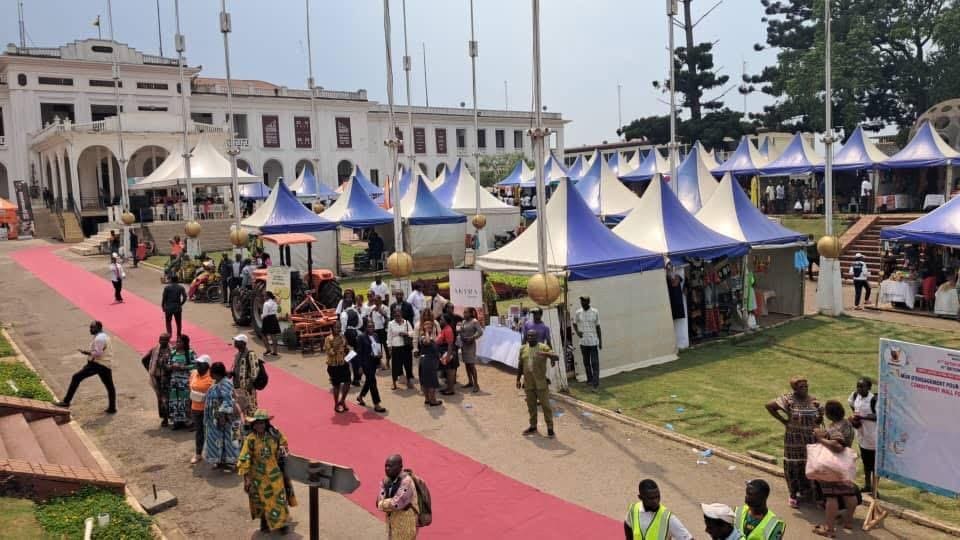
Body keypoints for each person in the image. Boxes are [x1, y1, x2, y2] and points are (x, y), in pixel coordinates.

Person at [765, 376, 822, 507]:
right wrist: (783, 420)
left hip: (810, 439)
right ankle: (793, 494)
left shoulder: (813, 400)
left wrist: (820, 413)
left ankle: (810, 491)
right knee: (794, 466)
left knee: (811, 465)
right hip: (793, 440)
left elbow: (818, 421)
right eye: (801, 386)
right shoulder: (788, 400)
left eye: (806, 386)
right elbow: (769, 406)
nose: (805, 388)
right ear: (795, 388)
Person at [237, 409, 292, 534]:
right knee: (260, 500)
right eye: (257, 423)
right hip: (258, 476)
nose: (259, 425)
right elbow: (244, 458)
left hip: (275, 473)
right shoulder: (250, 439)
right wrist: (247, 479)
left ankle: (282, 524)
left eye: (262, 423)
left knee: (278, 499)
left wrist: (283, 448)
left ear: (266, 423)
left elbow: (284, 443)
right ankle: (265, 522)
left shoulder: (275, 435)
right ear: (253, 424)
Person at [812, 400, 859, 537]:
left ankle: (829, 529)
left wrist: (820, 439)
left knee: (831, 497)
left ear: (829, 414)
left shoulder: (835, 428)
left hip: (832, 465)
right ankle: (849, 521)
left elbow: (837, 446)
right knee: (849, 493)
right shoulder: (847, 424)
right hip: (846, 464)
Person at [54, 321, 117, 414]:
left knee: (76, 377)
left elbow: (98, 354)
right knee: (110, 387)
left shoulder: (99, 339)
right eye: (90, 327)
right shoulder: (104, 336)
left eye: (92, 328)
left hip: (98, 364)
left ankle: (66, 402)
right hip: (105, 365)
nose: (90, 329)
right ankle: (112, 408)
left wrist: (86, 352)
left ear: (99, 328)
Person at [517, 329, 559, 438]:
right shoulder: (523, 348)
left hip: (541, 383)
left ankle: (550, 429)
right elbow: (520, 365)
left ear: (537, 337)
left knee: (546, 406)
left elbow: (556, 357)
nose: (530, 338)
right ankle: (533, 426)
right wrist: (518, 379)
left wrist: (544, 353)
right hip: (528, 383)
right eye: (529, 336)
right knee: (531, 406)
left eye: (533, 336)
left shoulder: (543, 347)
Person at [624, 479, 693, 540]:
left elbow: (688, 538)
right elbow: (627, 525)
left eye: (657, 496)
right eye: (651, 498)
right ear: (640, 497)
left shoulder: (667, 517)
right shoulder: (633, 510)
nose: (656, 501)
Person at [202, 361, 239, 470]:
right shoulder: (219, 382)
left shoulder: (226, 383)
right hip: (216, 419)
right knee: (217, 440)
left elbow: (228, 400)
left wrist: (222, 416)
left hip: (226, 419)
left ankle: (230, 462)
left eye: (211, 372)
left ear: (215, 373)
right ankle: (220, 461)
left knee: (229, 441)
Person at [377, 454, 419, 539]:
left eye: (390, 466)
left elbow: (396, 504)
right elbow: (381, 498)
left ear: (400, 467)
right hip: (392, 523)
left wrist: (381, 504)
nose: (387, 469)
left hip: (406, 523)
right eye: (386, 466)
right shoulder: (386, 481)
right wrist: (383, 503)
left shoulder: (407, 481)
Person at [848, 377, 877, 492]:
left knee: (874, 466)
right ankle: (867, 485)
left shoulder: (874, 399)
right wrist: (855, 416)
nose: (859, 389)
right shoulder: (855, 396)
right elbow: (852, 404)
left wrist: (862, 417)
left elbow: (877, 416)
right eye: (858, 386)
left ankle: (875, 489)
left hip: (873, 437)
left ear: (869, 388)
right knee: (866, 463)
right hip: (862, 435)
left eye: (862, 386)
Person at [356, 320, 387, 413]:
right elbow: (359, 353)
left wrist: (380, 358)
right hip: (366, 363)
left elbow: (378, 348)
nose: (371, 328)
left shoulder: (376, 335)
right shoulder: (361, 337)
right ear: (365, 327)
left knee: (369, 381)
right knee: (373, 382)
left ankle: (360, 396)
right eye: (369, 327)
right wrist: (360, 366)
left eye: (372, 326)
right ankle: (377, 404)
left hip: (374, 362)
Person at [142, 333, 173, 427]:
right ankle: (165, 418)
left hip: (168, 377)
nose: (162, 341)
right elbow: (144, 360)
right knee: (161, 398)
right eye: (160, 339)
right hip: (158, 378)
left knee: (170, 397)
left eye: (164, 340)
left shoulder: (172, 350)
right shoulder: (155, 350)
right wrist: (150, 370)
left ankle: (172, 416)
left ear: (168, 340)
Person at [167, 334, 196, 429]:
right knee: (175, 401)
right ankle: (177, 421)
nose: (177, 343)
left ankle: (187, 421)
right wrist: (171, 366)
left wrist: (183, 367)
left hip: (185, 381)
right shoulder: (173, 353)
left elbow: (196, 365)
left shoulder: (190, 353)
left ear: (185, 343)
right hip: (174, 381)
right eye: (177, 341)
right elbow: (167, 365)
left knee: (185, 401)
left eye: (179, 341)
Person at [188, 355, 213, 464]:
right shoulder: (194, 374)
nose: (197, 365)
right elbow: (190, 387)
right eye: (197, 363)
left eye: (200, 364)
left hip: (208, 409)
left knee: (211, 432)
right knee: (199, 432)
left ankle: (213, 455)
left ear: (207, 366)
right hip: (195, 408)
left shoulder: (212, 377)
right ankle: (198, 454)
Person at [573, 295, 602, 390]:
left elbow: (598, 327)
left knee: (595, 363)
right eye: (581, 301)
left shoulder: (595, 312)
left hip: (593, 342)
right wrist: (577, 332)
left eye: (584, 301)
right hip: (583, 342)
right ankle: (589, 380)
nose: (582, 303)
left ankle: (595, 383)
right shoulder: (578, 312)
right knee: (586, 363)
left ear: (588, 302)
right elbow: (574, 323)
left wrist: (600, 341)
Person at [324, 322, 352, 413]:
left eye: (339, 327)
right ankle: (336, 404)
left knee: (348, 382)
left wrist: (349, 350)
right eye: (336, 327)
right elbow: (330, 352)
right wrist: (336, 345)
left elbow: (346, 347)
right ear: (332, 328)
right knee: (337, 385)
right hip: (333, 365)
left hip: (344, 363)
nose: (338, 329)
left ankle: (342, 401)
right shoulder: (328, 338)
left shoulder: (343, 337)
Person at [231, 334, 260, 416]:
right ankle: (247, 425)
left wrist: (250, 383)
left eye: (237, 341)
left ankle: (253, 424)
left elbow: (255, 369)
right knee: (243, 406)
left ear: (243, 343)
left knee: (251, 406)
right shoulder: (237, 354)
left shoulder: (250, 354)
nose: (235, 342)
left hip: (247, 386)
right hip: (238, 386)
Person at [417, 317, 443, 406]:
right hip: (428, 362)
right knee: (431, 381)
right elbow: (427, 342)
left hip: (427, 361)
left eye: (430, 326)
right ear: (423, 327)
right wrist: (427, 332)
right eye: (426, 325)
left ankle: (427, 399)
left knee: (425, 381)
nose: (429, 326)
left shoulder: (431, 336)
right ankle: (433, 401)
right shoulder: (423, 336)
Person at [388, 307, 415, 390]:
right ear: (393, 315)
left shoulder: (406, 322)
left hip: (406, 347)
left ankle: (409, 381)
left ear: (401, 314)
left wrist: (405, 333)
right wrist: (389, 347)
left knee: (408, 364)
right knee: (395, 365)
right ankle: (394, 382)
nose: (397, 316)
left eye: (399, 314)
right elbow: (389, 336)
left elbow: (412, 333)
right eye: (395, 315)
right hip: (396, 347)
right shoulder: (391, 323)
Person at [459, 307, 484, 392]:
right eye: (464, 313)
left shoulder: (474, 321)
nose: (464, 314)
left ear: (470, 313)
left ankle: (476, 384)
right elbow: (462, 331)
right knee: (466, 364)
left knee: (471, 365)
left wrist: (472, 337)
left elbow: (480, 332)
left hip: (471, 345)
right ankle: (470, 382)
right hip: (464, 345)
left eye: (466, 313)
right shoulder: (463, 321)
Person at [339, 298, 363, 385]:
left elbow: (343, 328)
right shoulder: (356, 312)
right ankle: (357, 378)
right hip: (356, 333)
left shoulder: (344, 313)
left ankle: (346, 378)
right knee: (355, 356)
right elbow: (360, 323)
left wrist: (343, 338)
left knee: (347, 357)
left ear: (345, 304)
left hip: (348, 335)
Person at [437, 314, 460, 395]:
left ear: (446, 321)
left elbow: (450, 344)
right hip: (445, 352)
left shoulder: (448, 330)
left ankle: (450, 390)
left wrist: (447, 356)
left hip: (448, 352)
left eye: (441, 320)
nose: (440, 321)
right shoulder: (445, 329)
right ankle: (448, 388)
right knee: (448, 372)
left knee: (450, 372)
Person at [368, 295, 390, 369]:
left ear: (380, 300)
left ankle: (388, 361)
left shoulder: (385, 308)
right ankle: (379, 362)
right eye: (374, 300)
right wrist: (371, 314)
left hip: (383, 330)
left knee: (386, 346)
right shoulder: (372, 308)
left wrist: (382, 313)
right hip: (375, 330)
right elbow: (369, 319)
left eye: (377, 300)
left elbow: (388, 319)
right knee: (377, 347)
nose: (375, 302)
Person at [261, 291, 281, 356]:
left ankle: (268, 349)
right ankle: (275, 351)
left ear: (268, 296)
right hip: (274, 318)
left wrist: (261, 316)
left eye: (264, 296)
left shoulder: (266, 304)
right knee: (273, 335)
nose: (263, 297)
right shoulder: (275, 302)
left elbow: (265, 314)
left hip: (267, 319)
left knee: (264, 335)